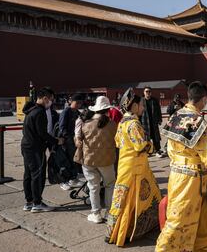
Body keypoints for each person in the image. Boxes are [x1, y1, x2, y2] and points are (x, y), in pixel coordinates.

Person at [156, 81, 207, 252]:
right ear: (204, 99)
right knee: (178, 219)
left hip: (176, 174)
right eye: (206, 100)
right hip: (191, 178)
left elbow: (169, 148)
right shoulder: (198, 122)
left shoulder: (175, 115)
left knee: (203, 211)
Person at [106, 89, 161, 246]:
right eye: (141, 105)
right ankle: (128, 230)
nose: (143, 108)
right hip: (136, 168)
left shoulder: (122, 122)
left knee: (121, 198)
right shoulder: (134, 124)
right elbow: (141, 146)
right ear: (135, 106)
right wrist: (151, 145)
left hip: (125, 165)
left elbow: (117, 143)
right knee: (141, 197)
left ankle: (113, 231)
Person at [74, 96, 117, 224]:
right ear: (108, 109)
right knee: (110, 185)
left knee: (93, 186)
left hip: (88, 160)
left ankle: (96, 213)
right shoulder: (112, 124)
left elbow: (78, 141)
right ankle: (109, 213)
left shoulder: (85, 123)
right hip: (107, 160)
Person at [21, 87, 63, 213]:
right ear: (45, 98)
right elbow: (42, 133)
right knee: (37, 175)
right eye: (50, 99)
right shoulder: (40, 112)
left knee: (28, 174)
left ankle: (29, 201)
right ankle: (37, 203)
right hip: (35, 148)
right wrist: (57, 141)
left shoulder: (31, 110)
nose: (51, 102)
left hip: (27, 146)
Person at [58, 94, 84, 190]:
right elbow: (62, 127)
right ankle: (64, 181)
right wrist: (68, 138)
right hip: (67, 140)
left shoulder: (76, 112)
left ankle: (73, 179)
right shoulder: (66, 111)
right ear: (71, 101)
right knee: (66, 161)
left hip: (74, 140)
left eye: (80, 103)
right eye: (77, 103)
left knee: (73, 160)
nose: (78, 105)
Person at [156, 94, 185, 158]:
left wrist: (181, 108)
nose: (177, 100)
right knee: (170, 135)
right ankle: (166, 148)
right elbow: (168, 111)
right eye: (176, 99)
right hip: (172, 122)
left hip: (179, 122)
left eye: (178, 99)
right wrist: (174, 108)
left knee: (178, 135)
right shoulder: (171, 104)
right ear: (174, 99)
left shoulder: (181, 104)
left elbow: (185, 110)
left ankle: (177, 148)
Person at [141, 87, 162, 154]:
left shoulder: (154, 100)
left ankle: (157, 150)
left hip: (154, 121)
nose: (148, 93)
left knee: (156, 136)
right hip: (145, 121)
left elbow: (159, 110)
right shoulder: (141, 101)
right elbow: (139, 111)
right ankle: (148, 151)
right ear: (144, 93)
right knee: (146, 137)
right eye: (146, 91)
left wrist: (160, 119)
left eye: (149, 91)